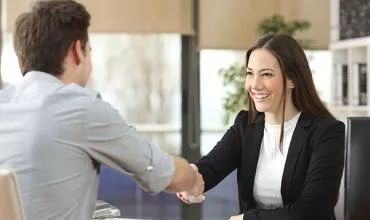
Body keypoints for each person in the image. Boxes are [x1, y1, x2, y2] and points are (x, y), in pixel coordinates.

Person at [0, 0, 203, 220]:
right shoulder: (80, 109)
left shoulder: (5, 103)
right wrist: (192, 178)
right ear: (77, 51)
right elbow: (166, 174)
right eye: (90, 51)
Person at [177, 33, 345, 220]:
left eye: (266, 74)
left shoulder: (327, 132)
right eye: (250, 73)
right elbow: (211, 167)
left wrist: (247, 219)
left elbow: (312, 210)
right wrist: (191, 180)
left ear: (292, 79)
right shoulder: (246, 125)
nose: (254, 85)